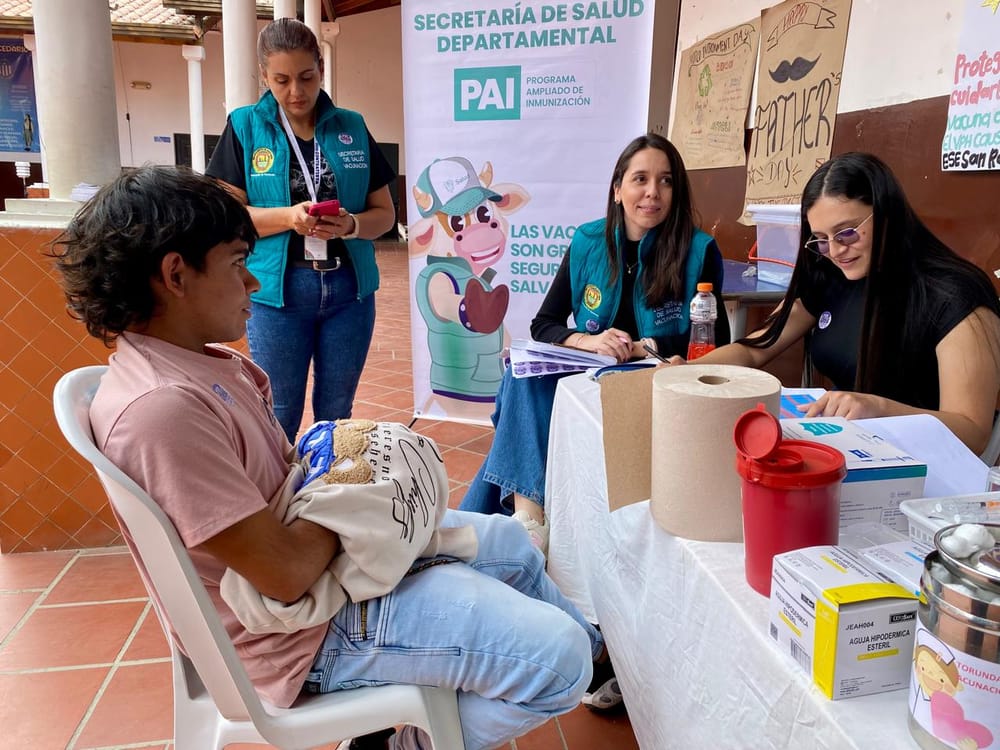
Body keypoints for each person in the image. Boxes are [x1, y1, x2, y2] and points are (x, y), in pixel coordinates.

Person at [53, 165, 617, 750]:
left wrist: (348, 477)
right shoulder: (161, 411)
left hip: (317, 589)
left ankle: (600, 655)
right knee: (559, 659)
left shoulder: (202, 364)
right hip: (295, 639)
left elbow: (291, 480)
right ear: (176, 275)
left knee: (510, 543)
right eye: (237, 263)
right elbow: (286, 573)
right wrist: (360, 494)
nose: (252, 283)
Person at [460, 133, 730, 565]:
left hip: (651, 376)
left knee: (516, 396)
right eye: (640, 179)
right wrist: (585, 340)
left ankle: (506, 524)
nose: (652, 192)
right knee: (522, 375)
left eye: (665, 181)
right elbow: (544, 323)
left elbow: (715, 341)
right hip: (589, 370)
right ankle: (529, 520)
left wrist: (645, 346)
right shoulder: (588, 241)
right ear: (617, 189)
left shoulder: (698, 250)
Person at [676, 152, 1000, 455]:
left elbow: (972, 432)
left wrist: (879, 409)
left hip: (924, 462)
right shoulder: (830, 276)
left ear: (886, 214)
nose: (835, 250)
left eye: (847, 233)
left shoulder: (954, 295)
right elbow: (754, 349)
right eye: (820, 239)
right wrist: (684, 374)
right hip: (850, 446)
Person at [206, 18, 396, 443]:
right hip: (278, 293)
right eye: (282, 80)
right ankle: (280, 486)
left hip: (350, 292)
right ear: (264, 76)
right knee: (279, 413)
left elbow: (385, 214)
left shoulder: (351, 126)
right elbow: (224, 217)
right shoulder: (245, 127)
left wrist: (351, 225)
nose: (296, 91)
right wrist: (288, 218)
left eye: (307, 77)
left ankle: (327, 483)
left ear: (321, 69)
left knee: (338, 413)